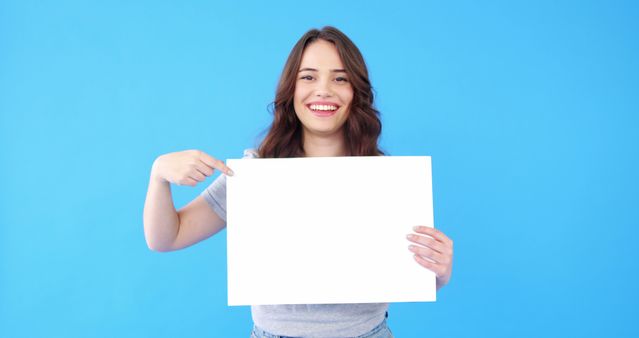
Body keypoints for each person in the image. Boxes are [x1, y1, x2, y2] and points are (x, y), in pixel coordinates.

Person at [143, 26, 453, 338]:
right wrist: (159, 176)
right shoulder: (256, 174)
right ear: (290, 89)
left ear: (356, 91)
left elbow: (413, 272)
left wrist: (438, 270)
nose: (323, 90)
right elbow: (167, 238)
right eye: (308, 77)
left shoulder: (386, 178)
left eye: (340, 78)